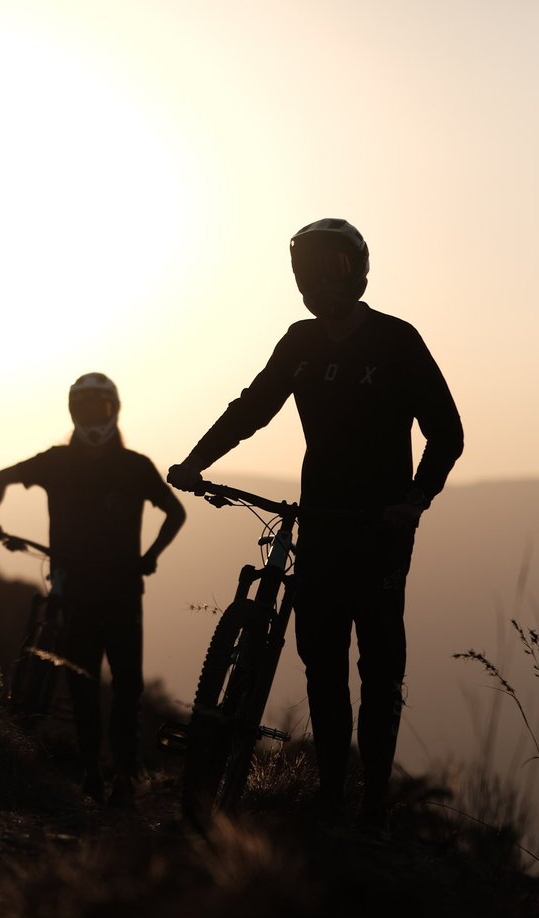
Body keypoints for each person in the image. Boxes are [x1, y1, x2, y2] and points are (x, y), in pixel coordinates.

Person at [168, 218, 464, 833]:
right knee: (321, 661)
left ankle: (374, 806)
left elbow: (447, 433)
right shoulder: (300, 342)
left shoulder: (396, 341)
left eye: (332, 266)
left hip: (381, 528)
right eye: (307, 269)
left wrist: (415, 498)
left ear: (358, 270)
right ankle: (331, 798)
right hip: (321, 521)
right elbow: (253, 406)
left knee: (379, 667)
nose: (318, 281)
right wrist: (197, 461)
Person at [0, 372, 186, 806]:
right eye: (85, 408)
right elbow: (175, 513)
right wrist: (150, 556)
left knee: (103, 687)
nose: (93, 417)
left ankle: (109, 775)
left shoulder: (97, 464)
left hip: (95, 591)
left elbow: (0, 478)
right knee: (105, 688)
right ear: (74, 412)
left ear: (114, 411)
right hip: (110, 593)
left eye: (100, 408)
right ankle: (109, 776)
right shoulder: (126, 465)